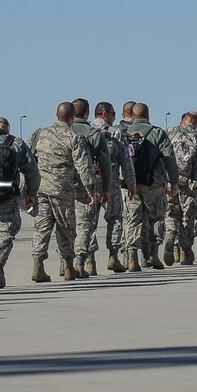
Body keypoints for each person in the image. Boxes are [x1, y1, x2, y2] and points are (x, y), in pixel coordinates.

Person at [27, 102, 102, 281]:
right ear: (71, 118)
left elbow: (29, 159)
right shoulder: (74, 137)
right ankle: (69, 267)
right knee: (66, 229)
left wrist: (28, 188)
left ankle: (38, 265)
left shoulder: (40, 134)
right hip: (63, 190)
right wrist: (90, 189)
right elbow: (84, 166)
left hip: (41, 189)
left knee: (42, 228)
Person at [0, 116, 39, 287]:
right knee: (6, 232)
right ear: (8, 128)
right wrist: (31, 194)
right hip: (6, 195)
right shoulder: (16, 143)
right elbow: (32, 170)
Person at [117, 102, 178, 271]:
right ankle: (152, 254)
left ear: (132, 115)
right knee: (156, 217)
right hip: (154, 183)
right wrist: (174, 181)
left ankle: (132, 258)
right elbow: (169, 158)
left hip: (130, 184)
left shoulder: (123, 133)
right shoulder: (157, 133)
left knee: (132, 217)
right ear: (148, 115)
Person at [76, 98, 126, 274]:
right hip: (110, 182)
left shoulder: (83, 131)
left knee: (88, 222)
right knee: (116, 218)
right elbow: (125, 161)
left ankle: (90, 262)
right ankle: (113, 256)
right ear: (104, 114)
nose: (115, 116)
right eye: (113, 113)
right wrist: (130, 183)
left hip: (86, 184)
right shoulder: (115, 133)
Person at [163, 111, 197, 264]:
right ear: (196, 123)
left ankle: (170, 235)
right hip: (191, 186)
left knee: (171, 214)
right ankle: (185, 252)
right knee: (188, 219)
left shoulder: (169, 133)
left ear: (182, 120)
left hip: (170, 183)